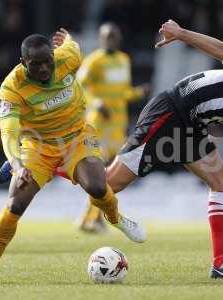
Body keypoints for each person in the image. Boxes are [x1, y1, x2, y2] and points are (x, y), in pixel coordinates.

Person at [0, 20, 223, 279]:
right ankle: (48, 163)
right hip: (170, 113)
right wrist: (181, 34)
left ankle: (222, 265)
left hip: (191, 125)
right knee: (105, 186)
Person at [0, 28, 146, 285]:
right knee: (14, 205)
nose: (43, 69)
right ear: (23, 63)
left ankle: (116, 218)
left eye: (47, 62)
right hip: (38, 147)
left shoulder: (68, 57)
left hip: (76, 137)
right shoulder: (12, 86)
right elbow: (8, 132)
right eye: (35, 64)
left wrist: (68, 41)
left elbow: (72, 46)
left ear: (54, 55)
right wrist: (18, 165)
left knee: (97, 187)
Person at [77, 22, 150, 232]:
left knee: (109, 175)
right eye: (107, 36)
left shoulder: (124, 60)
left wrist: (137, 93)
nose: (111, 39)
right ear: (101, 39)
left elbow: (122, 92)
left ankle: (90, 218)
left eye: (114, 36)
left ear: (119, 38)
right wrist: (97, 103)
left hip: (118, 125)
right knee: (100, 174)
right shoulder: (94, 61)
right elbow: (81, 88)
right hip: (98, 124)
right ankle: (91, 218)